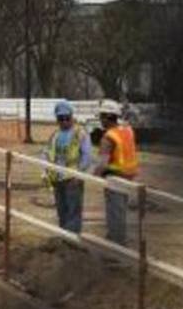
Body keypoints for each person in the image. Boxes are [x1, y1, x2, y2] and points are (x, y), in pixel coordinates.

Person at [93, 100, 139, 245]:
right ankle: (116, 238)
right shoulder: (127, 131)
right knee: (121, 211)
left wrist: (94, 176)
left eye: (101, 116)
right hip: (129, 176)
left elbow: (102, 164)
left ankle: (116, 242)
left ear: (107, 117)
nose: (100, 120)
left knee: (115, 212)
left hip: (115, 178)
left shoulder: (108, 137)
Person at [43, 100, 92, 233]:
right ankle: (64, 238)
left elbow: (87, 157)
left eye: (67, 118)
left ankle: (73, 241)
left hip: (73, 179)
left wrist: (78, 174)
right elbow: (47, 153)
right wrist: (46, 172)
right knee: (62, 211)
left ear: (72, 117)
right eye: (61, 118)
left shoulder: (80, 133)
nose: (64, 121)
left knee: (73, 212)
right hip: (57, 179)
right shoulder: (55, 135)